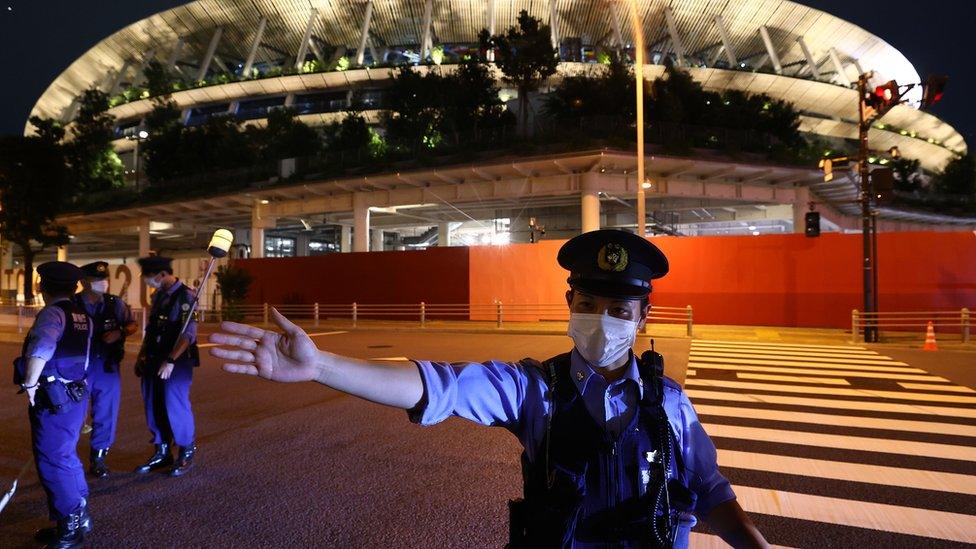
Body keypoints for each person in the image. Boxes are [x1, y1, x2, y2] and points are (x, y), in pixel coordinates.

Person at [209, 230, 769, 548]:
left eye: (619, 309)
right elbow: (438, 387)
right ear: (569, 306)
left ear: (643, 315)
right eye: (588, 305)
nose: (602, 320)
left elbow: (710, 491)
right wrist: (323, 366)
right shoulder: (534, 390)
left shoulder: (668, 401)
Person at [13, 261, 93, 548]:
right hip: (75, 396)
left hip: (54, 398)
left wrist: (30, 385)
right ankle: (78, 514)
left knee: (52, 460)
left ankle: (69, 527)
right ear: (74, 288)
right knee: (66, 456)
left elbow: (41, 350)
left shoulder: (53, 314)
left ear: (42, 286)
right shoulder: (81, 314)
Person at [133, 256, 200, 477]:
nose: (147, 282)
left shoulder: (187, 297)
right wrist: (142, 355)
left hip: (176, 361)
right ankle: (162, 450)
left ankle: (186, 450)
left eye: (148, 278)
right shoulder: (159, 296)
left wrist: (170, 360)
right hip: (154, 357)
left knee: (174, 403)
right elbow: (152, 329)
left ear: (162, 275)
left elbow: (188, 334)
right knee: (152, 403)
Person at [74, 261, 137, 478]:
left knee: (106, 412)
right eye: (97, 280)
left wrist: (120, 332)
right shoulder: (72, 304)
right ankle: (67, 459)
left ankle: (98, 457)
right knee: (73, 412)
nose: (103, 283)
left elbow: (132, 324)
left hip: (107, 366)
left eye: (105, 279)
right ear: (83, 282)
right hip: (77, 369)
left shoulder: (115, 303)